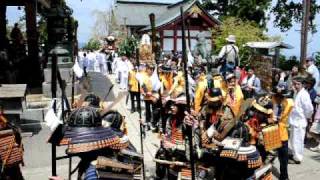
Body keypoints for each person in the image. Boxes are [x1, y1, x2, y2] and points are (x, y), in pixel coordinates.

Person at [288, 76, 314, 164]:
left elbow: (309, 109)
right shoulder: (296, 93)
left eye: (298, 84)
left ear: (302, 85)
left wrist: (306, 117)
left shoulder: (304, 94)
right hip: (294, 120)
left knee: (298, 141)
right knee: (293, 139)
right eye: (294, 84)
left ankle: (298, 158)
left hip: (300, 121)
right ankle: (295, 154)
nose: (295, 86)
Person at [271, 82, 294, 180]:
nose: (279, 97)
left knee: (283, 157)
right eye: (277, 95)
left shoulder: (289, 103)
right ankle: (265, 173)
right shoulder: (270, 101)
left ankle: (284, 176)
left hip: (282, 133)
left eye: (281, 95)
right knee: (269, 156)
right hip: (271, 131)